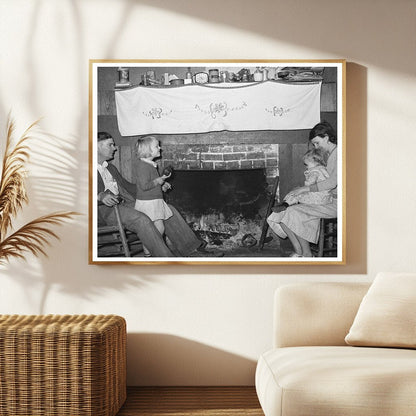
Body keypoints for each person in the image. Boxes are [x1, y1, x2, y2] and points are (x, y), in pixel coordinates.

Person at [96, 132, 222, 257]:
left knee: (167, 209)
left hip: (124, 204)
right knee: (141, 218)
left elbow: (130, 187)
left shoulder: (110, 168)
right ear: (97, 146)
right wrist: (99, 196)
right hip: (105, 211)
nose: (114, 148)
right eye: (110, 145)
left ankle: (192, 250)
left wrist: (158, 185)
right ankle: (165, 259)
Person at [267, 121, 338, 257]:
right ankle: (299, 251)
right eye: (314, 144)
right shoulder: (330, 154)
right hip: (327, 198)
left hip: (337, 203)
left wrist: (305, 190)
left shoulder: (339, 154)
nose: (316, 147)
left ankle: (306, 254)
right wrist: (303, 190)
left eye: (317, 143)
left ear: (327, 137)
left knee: (294, 212)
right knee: (286, 211)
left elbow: (332, 183)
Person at [132, 136, 173, 257]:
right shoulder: (142, 166)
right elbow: (144, 186)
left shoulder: (150, 165)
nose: (160, 147)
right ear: (147, 150)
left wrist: (162, 184)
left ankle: (151, 250)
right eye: (156, 146)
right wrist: (159, 180)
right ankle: (150, 250)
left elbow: (152, 182)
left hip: (154, 201)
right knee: (155, 229)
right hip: (148, 202)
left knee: (158, 228)